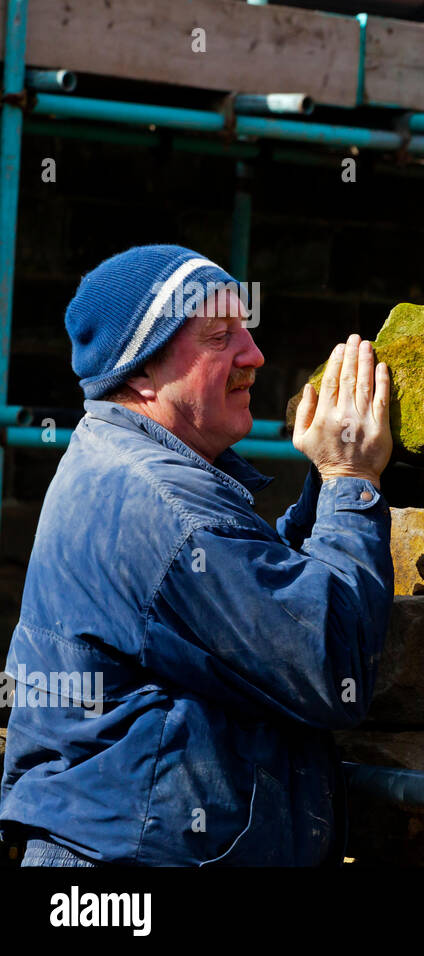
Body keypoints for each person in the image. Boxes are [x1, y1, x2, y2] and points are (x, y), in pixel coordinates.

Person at [0, 244, 394, 865]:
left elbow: (247, 606)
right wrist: (349, 478)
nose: (254, 355)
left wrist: (324, 487)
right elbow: (325, 662)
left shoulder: (123, 462)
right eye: (219, 336)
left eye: (246, 327)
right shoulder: (166, 508)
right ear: (140, 373)